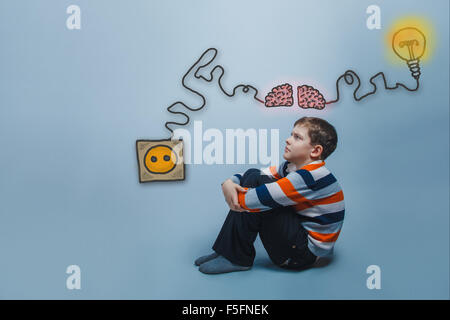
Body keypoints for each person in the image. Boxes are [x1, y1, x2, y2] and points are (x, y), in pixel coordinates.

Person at [195, 117, 345, 274]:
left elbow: (252, 199)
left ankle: (236, 258)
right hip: (299, 240)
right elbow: (258, 174)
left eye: (297, 137)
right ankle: (226, 251)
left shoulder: (309, 177)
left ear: (315, 151)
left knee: (257, 187)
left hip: (300, 256)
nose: (288, 140)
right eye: (291, 134)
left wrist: (229, 189)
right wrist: (229, 182)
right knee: (254, 174)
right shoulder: (292, 167)